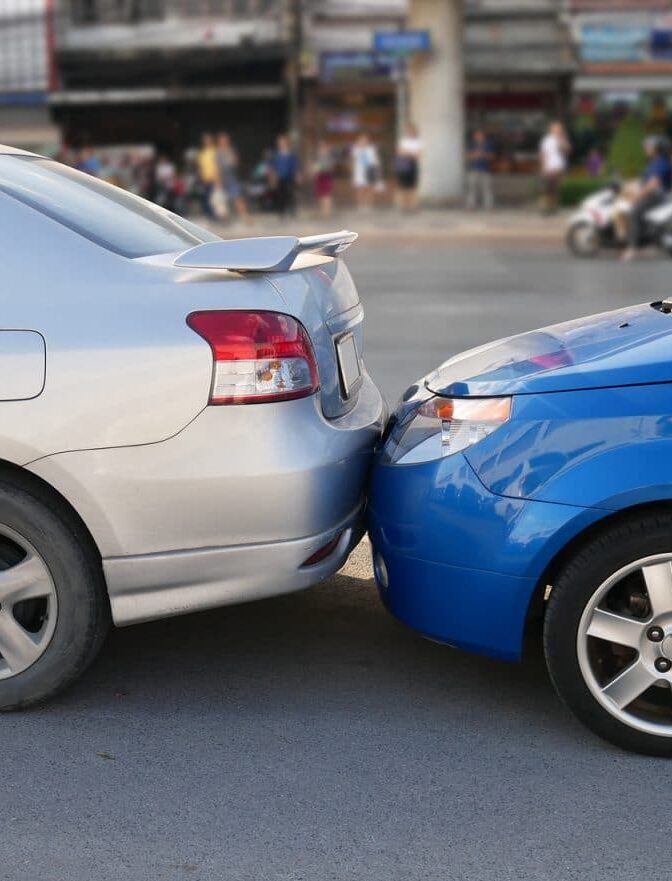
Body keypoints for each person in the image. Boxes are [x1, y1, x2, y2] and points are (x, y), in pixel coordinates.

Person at [621, 137, 672, 262]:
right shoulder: (654, 162)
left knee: (634, 211)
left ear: (657, 148)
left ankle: (632, 248)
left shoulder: (661, 163)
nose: (646, 148)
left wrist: (638, 196)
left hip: (658, 197)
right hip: (653, 195)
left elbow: (653, 184)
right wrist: (627, 187)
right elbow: (644, 181)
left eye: (649, 146)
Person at [216, 132, 250, 223]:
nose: (224, 142)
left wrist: (230, 156)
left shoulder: (231, 150)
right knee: (220, 200)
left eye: (225, 140)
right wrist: (218, 181)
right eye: (222, 140)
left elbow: (235, 163)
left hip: (231, 178)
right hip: (222, 178)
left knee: (237, 198)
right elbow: (217, 167)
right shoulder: (218, 152)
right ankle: (224, 220)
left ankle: (245, 217)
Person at [539, 121, 570, 215]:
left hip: (559, 167)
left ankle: (554, 207)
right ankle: (545, 207)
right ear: (551, 130)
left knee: (556, 188)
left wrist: (561, 140)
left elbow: (567, 151)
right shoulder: (546, 140)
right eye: (556, 128)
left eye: (559, 129)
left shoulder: (563, 139)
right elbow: (543, 154)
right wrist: (544, 166)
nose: (557, 130)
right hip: (549, 167)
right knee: (546, 188)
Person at [270, 134, 300, 216]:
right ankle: (281, 212)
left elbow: (295, 165)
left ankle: (292, 211)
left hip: (289, 176)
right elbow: (274, 167)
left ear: (286, 143)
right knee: (280, 194)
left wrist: (297, 175)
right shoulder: (276, 155)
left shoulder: (291, 154)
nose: (282, 144)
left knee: (290, 193)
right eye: (280, 142)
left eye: (283, 142)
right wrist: (273, 177)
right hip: (280, 177)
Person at [395, 123, 422, 212]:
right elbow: (400, 153)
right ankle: (404, 206)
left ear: (414, 132)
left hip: (413, 164)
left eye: (411, 131)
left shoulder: (419, 141)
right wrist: (411, 153)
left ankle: (413, 206)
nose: (409, 133)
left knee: (413, 186)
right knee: (403, 186)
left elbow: (419, 155)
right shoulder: (403, 141)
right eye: (408, 131)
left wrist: (408, 152)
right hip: (404, 164)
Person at [465, 130, 495, 210]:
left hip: (485, 169)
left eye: (479, 135)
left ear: (483, 136)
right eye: (476, 135)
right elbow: (468, 156)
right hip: (473, 169)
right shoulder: (472, 145)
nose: (477, 137)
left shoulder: (488, 145)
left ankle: (489, 206)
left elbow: (492, 157)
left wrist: (483, 154)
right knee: (472, 188)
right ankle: (471, 206)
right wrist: (475, 155)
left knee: (487, 188)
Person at [351, 133, 380, 211]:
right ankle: (360, 206)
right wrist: (353, 171)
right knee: (360, 189)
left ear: (368, 141)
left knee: (369, 189)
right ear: (358, 140)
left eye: (365, 140)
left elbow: (375, 160)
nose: (363, 141)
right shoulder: (355, 149)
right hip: (359, 171)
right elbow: (354, 161)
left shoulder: (371, 149)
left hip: (369, 170)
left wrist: (376, 169)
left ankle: (369, 205)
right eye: (361, 140)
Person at [196, 133, 219, 217]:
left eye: (208, 140)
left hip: (215, 178)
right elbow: (200, 167)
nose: (207, 142)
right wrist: (202, 177)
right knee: (206, 197)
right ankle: (208, 214)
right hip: (205, 179)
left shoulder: (216, 151)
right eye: (205, 140)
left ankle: (215, 215)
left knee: (215, 197)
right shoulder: (202, 153)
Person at [312, 140, 335, 218]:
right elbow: (314, 166)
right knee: (321, 195)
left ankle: (327, 212)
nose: (322, 149)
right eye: (320, 147)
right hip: (319, 177)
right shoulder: (318, 157)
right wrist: (314, 170)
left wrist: (320, 169)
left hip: (326, 177)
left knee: (327, 195)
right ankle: (323, 211)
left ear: (327, 148)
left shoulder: (329, 157)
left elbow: (329, 167)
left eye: (323, 147)